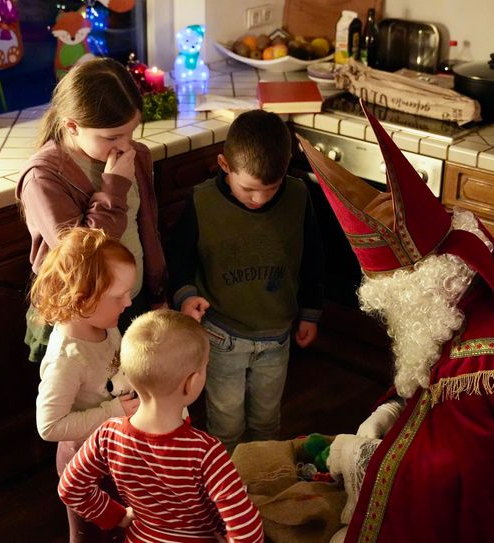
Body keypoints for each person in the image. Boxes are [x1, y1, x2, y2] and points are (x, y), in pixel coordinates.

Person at [297, 105, 494, 542]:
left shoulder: (486, 370)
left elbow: (448, 480)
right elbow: (430, 379)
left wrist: (359, 455)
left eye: (389, 292)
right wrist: (391, 409)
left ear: (419, 284)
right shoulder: (466, 283)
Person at [165, 109, 325, 452]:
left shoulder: (299, 197)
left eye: (272, 188)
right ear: (224, 165)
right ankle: (229, 492)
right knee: (226, 421)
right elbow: (178, 255)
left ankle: (262, 482)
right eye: (249, 189)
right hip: (222, 334)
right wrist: (185, 295)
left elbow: (313, 257)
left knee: (267, 419)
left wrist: (310, 311)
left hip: (277, 336)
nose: (260, 199)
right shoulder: (202, 201)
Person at [58, 309, 266, 543]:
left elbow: (70, 487)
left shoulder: (107, 435)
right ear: (192, 382)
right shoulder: (207, 453)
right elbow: (248, 532)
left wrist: (118, 515)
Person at [17, 57, 167, 363]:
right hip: (79, 318)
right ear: (72, 126)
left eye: (131, 131)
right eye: (112, 137)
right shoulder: (43, 177)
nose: (126, 145)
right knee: (93, 407)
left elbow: (147, 230)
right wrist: (114, 187)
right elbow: (83, 257)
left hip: (131, 303)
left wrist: (158, 293)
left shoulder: (135, 155)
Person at [30, 227, 140, 543]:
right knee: (94, 536)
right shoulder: (67, 356)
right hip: (85, 467)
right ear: (81, 299)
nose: (129, 302)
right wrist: (113, 412)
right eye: (119, 296)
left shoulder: (105, 325)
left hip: (116, 455)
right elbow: (49, 426)